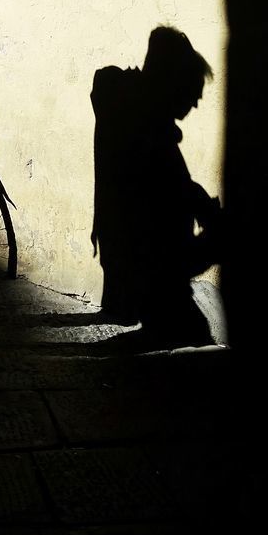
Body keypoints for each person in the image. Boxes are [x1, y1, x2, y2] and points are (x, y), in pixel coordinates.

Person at [90, 24, 224, 348]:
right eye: (191, 91)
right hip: (154, 274)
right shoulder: (148, 137)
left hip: (148, 270)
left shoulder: (137, 120)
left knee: (178, 334)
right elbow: (163, 236)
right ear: (171, 85)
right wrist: (216, 236)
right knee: (178, 336)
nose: (194, 103)